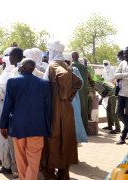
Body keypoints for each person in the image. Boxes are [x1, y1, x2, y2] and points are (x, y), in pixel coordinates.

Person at [1, 58, 52, 180]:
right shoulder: (44, 83)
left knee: (21, 157)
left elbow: (6, 106)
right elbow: (48, 109)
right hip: (37, 127)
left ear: (22, 68)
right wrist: (47, 127)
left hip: (18, 127)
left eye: (19, 66)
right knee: (34, 158)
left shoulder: (12, 82)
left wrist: (3, 125)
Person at [41, 40, 82, 179]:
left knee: (53, 140)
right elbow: (78, 82)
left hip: (56, 108)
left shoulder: (54, 65)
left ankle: (50, 175)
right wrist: (68, 97)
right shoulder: (64, 63)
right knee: (66, 140)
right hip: (66, 108)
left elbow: (63, 76)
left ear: (52, 51)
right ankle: (64, 175)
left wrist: (64, 96)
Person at [0, 48, 18, 177]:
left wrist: (7, 99)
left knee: (6, 138)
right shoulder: (14, 73)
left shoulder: (8, 74)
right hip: (12, 110)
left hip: (5, 109)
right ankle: (9, 165)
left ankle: (8, 166)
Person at [64, 53, 88, 143]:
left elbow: (80, 83)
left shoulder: (75, 69)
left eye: (67, 61)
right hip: (63, 100)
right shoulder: (59, 70)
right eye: (64, 61)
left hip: (74, 99)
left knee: (75, 118)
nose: (66, 63)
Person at [113, 48, 128, 145]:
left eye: (127, 53)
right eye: (124, 53)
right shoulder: (122, 63)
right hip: (121, 93)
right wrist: (126, 74)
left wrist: (122, 76)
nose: (125, 55)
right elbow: (116, 75)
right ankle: (122, 137)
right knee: (118, 113)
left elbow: (119, 75)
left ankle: (122, 137)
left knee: (127, 116)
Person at [72, 51, 89, 132]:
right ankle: (85, 128)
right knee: (84, 108)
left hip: (75, 91)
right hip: (84, 90)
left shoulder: (72, 66)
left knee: (77, 109)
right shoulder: (84, 67)